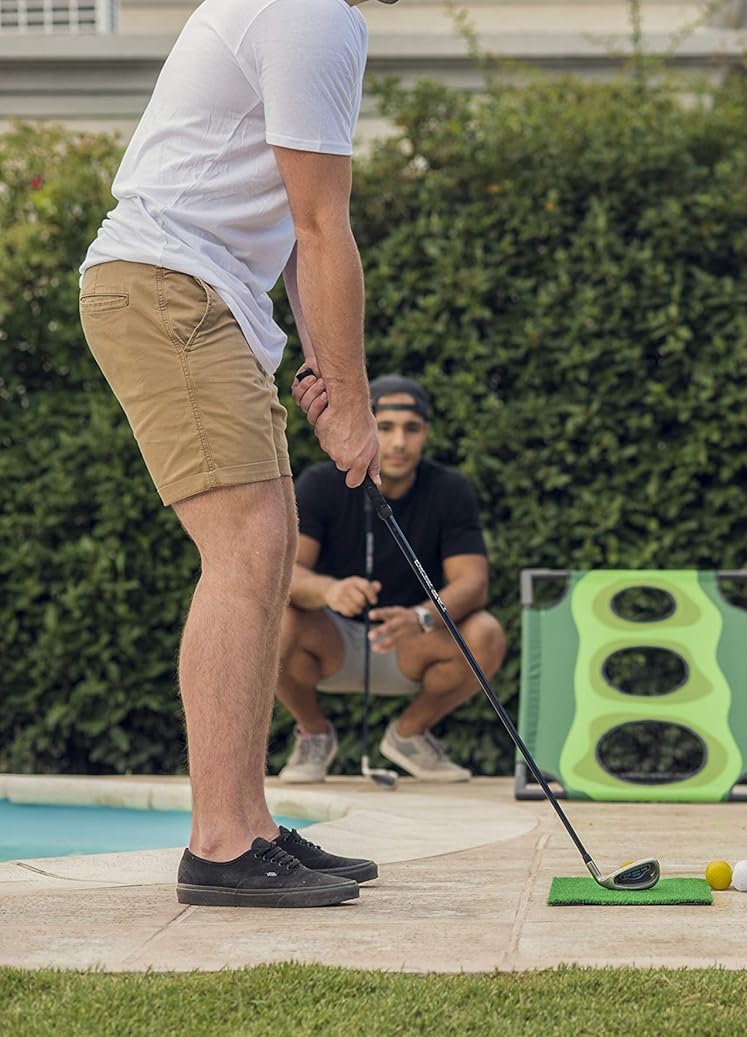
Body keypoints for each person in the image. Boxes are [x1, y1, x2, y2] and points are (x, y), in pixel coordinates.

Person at [77, 0, 398, 907]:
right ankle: (220, 841)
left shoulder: (321, 17)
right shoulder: (308, 11)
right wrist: (355, 404)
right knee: (247, 551)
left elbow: (301, 231)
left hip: (204, 296)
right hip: (172, 287)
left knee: (260, 553)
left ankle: (249, 826)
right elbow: (324, 229)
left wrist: (330, 379)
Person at [277, 375, 507, 784]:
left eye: (411, 429)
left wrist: (422, 616)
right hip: (331, 637)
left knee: (486, 632)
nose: (399, 442)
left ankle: (409, 734)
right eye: (385, 427)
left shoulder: (450, 490)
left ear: (426, 433)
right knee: (272, 622)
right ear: (365, 425)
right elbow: (285, 575)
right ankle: (313, 732)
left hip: (410, 639)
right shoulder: (318, 484)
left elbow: (473, 583)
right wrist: (330, 590)